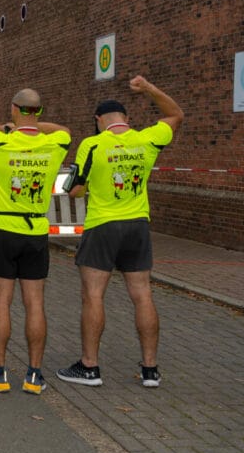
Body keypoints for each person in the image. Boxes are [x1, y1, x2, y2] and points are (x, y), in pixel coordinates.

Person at [57, 76, 183, 389]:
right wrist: (149, 89)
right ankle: (150, 369)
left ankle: (89, 367)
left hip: (103, 225)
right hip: (137, 224)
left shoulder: (92, 144)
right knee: (142, 294)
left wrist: (86, 187)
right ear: (126, 118)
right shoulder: (147, 138)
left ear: (98, 120)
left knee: (93, 295)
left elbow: (74, 189)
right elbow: (175, 115)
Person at [0, 88, 71, 395]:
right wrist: (32, 125)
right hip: (36, 230)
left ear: (13, 109)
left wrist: (8, 128)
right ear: (39, 111)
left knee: (0, 303)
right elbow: (63, 130)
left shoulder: (1, 142)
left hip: (3, 228)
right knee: (35, 304)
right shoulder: (55, 143)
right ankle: (34, 375)